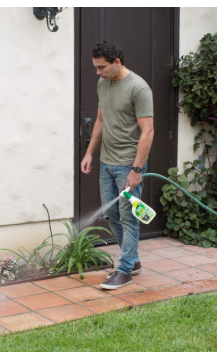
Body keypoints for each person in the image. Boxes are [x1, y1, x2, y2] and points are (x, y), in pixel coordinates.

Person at [81, 40, 154, 290]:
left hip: (128, 165)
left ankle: (124, 270)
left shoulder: (139, 88)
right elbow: (101, 120)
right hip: (106, 163)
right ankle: (131, 260)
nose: (98, 73)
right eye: (96, 68)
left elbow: (148, 132)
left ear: (117, 62)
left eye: (101, 67)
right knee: (112, 215)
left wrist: (136, 170)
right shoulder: (103, 83)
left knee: (128, 217)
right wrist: (90, 152)